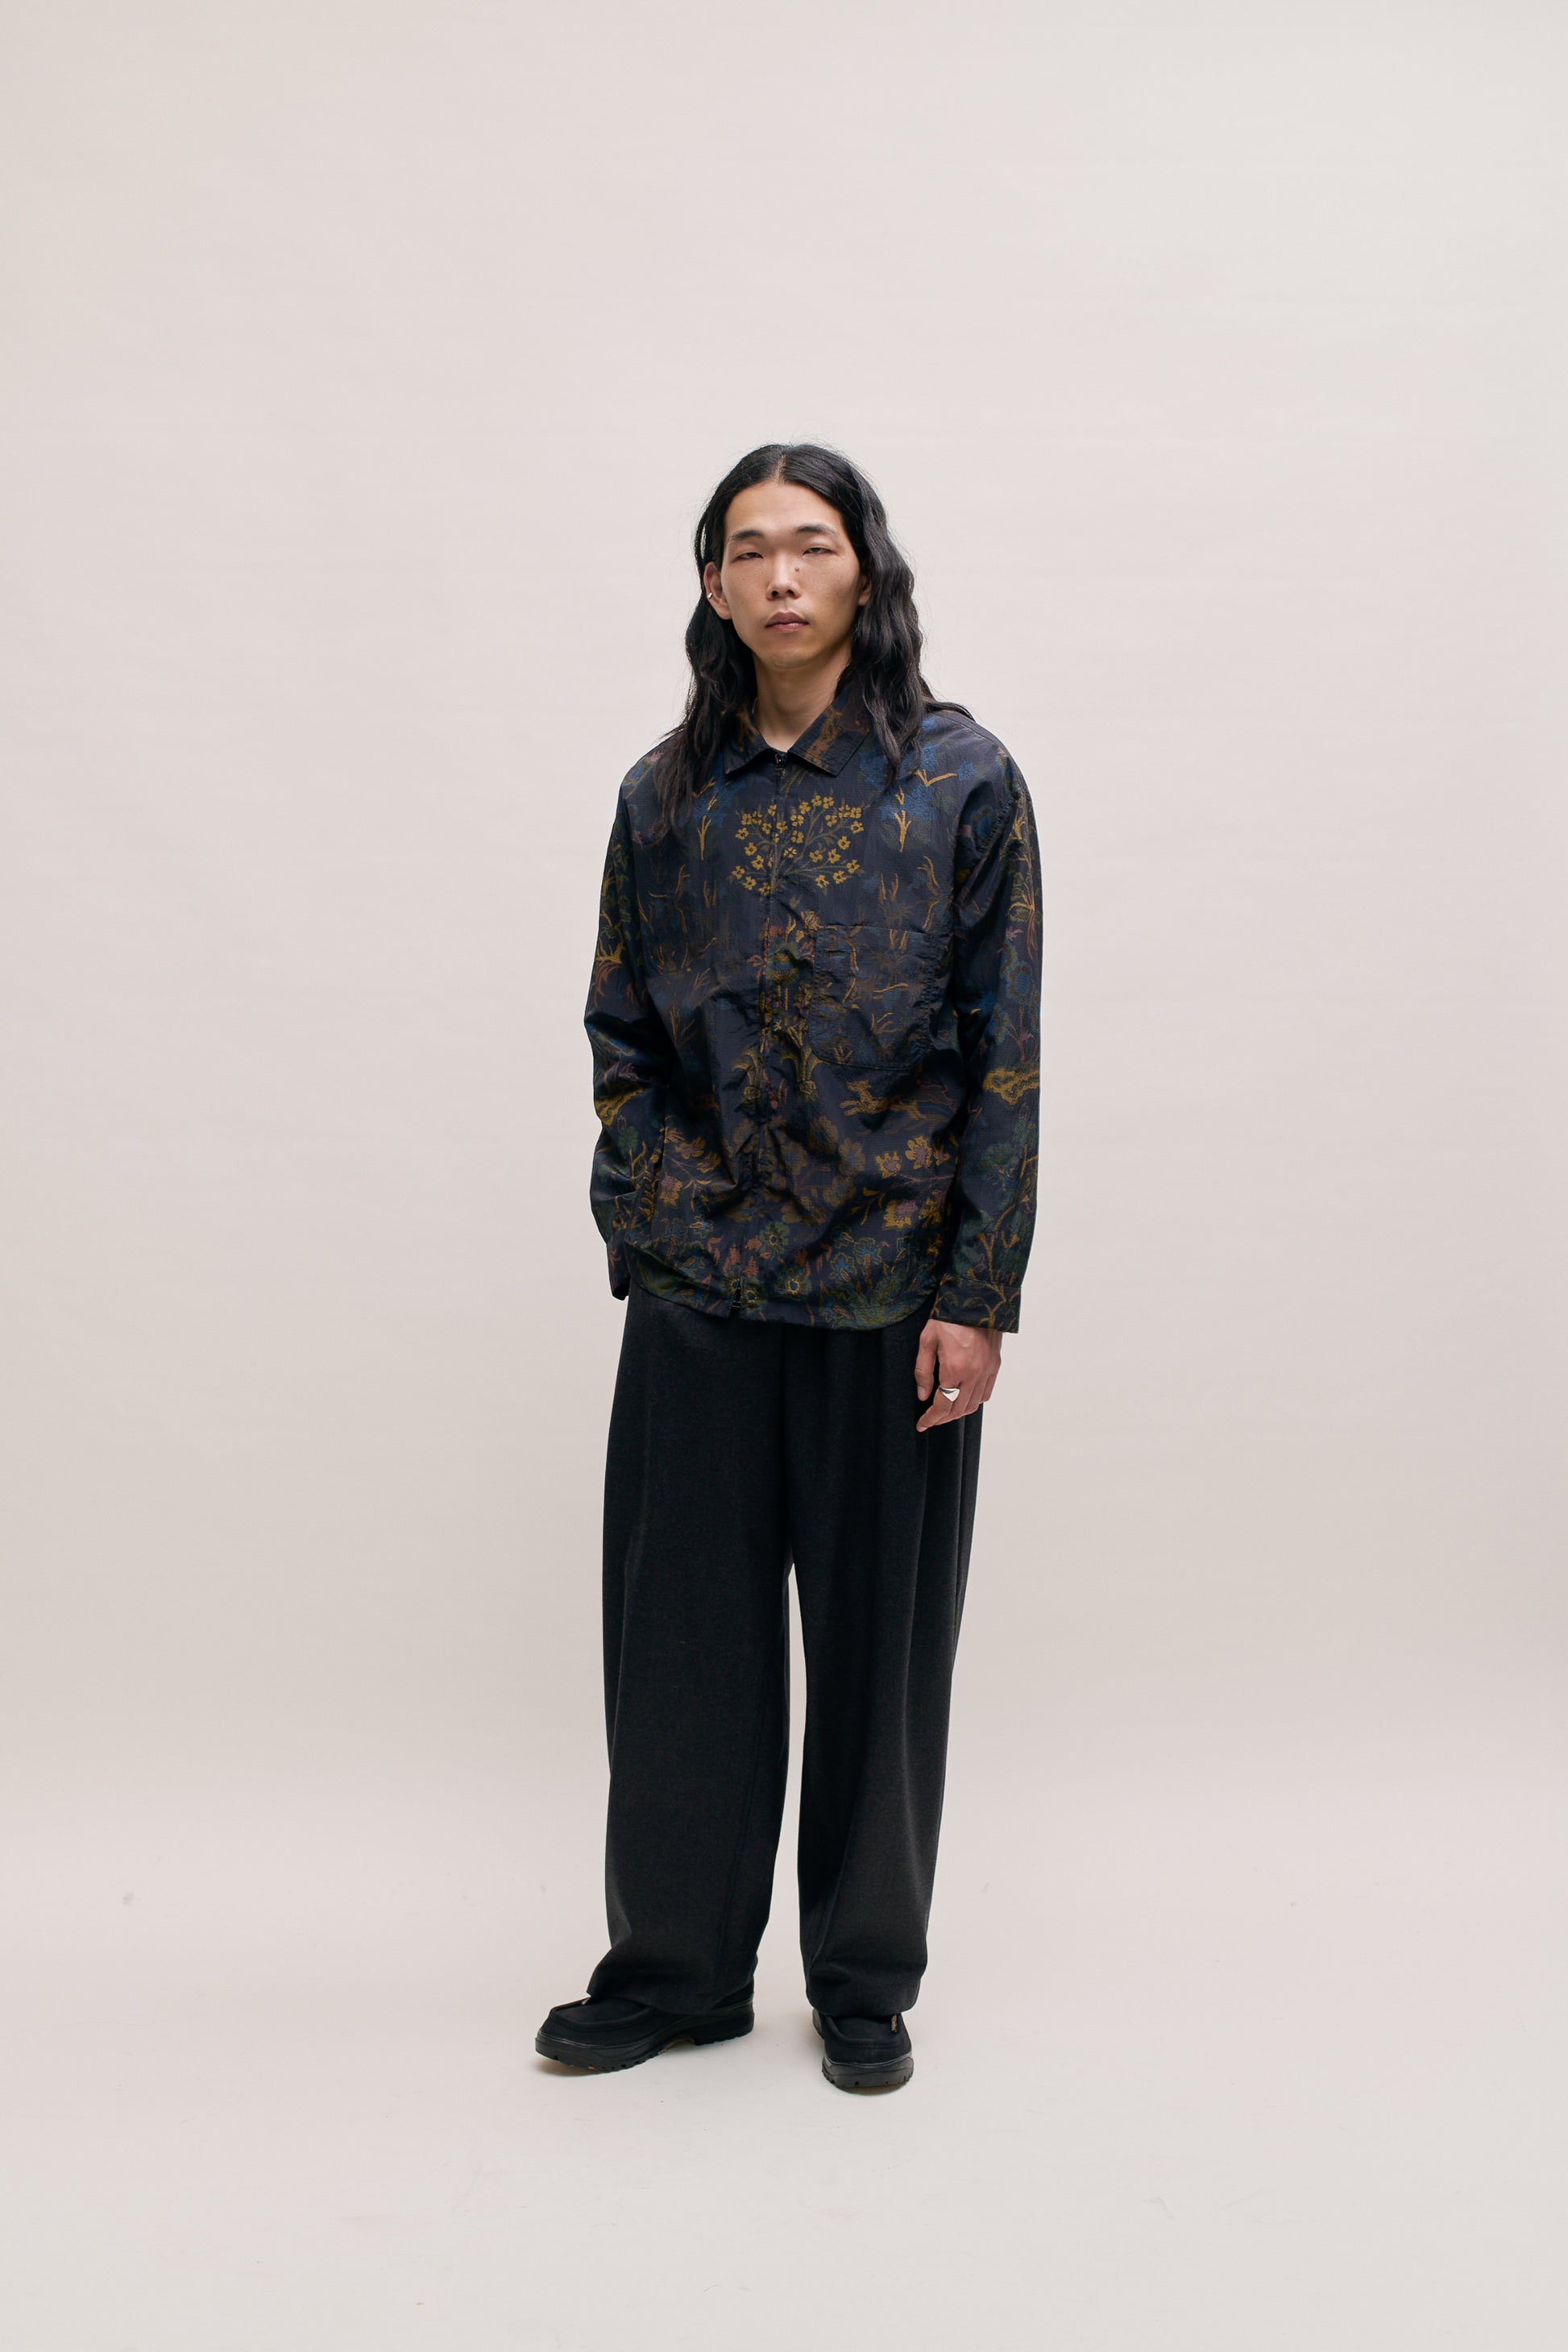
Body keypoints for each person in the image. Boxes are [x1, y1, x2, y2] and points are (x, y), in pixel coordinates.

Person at [536, 442, 1042, 2093]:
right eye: (746, 548)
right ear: (710, 583)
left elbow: (1004, 1055)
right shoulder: (662, 793)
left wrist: (975, 1293)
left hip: (891, 1293)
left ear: (861, 571)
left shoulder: (960, 781)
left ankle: (863, 1975)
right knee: (680, 1647)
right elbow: (618, 1031)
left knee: (882, 1660)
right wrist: (650, 1210)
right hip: (700, 1288)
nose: (778, 575)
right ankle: (675, 1970)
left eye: (810, 544)